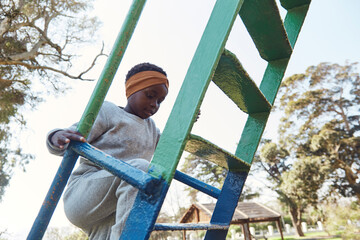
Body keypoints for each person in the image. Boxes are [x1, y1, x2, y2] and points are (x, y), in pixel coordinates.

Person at [46, 62, 169, 239]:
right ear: (132, 90)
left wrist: (187, 118)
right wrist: (56, 136)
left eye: (160, 101)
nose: (154, 104)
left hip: (112, 209)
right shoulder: (109, 111)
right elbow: (73, 136)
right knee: (140, 170)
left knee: (149, 176)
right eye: (150, 95)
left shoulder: (152, 130)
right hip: (84, 193)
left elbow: (173, 141)